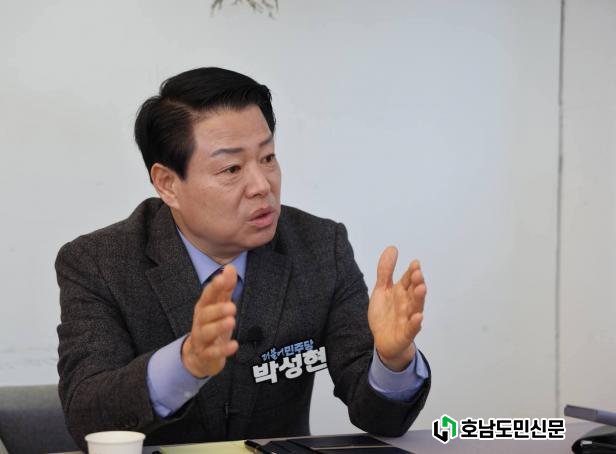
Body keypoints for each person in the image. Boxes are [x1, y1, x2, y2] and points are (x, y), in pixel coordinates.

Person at [56, 67, 431, 451]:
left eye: (268, 158)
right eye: (232, 169)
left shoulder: (320, 247)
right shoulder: (98, 263)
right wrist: (185, 363)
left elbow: (380, 419)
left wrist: (392, 361)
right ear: (168, 184)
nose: (261, 185)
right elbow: (87, 416)